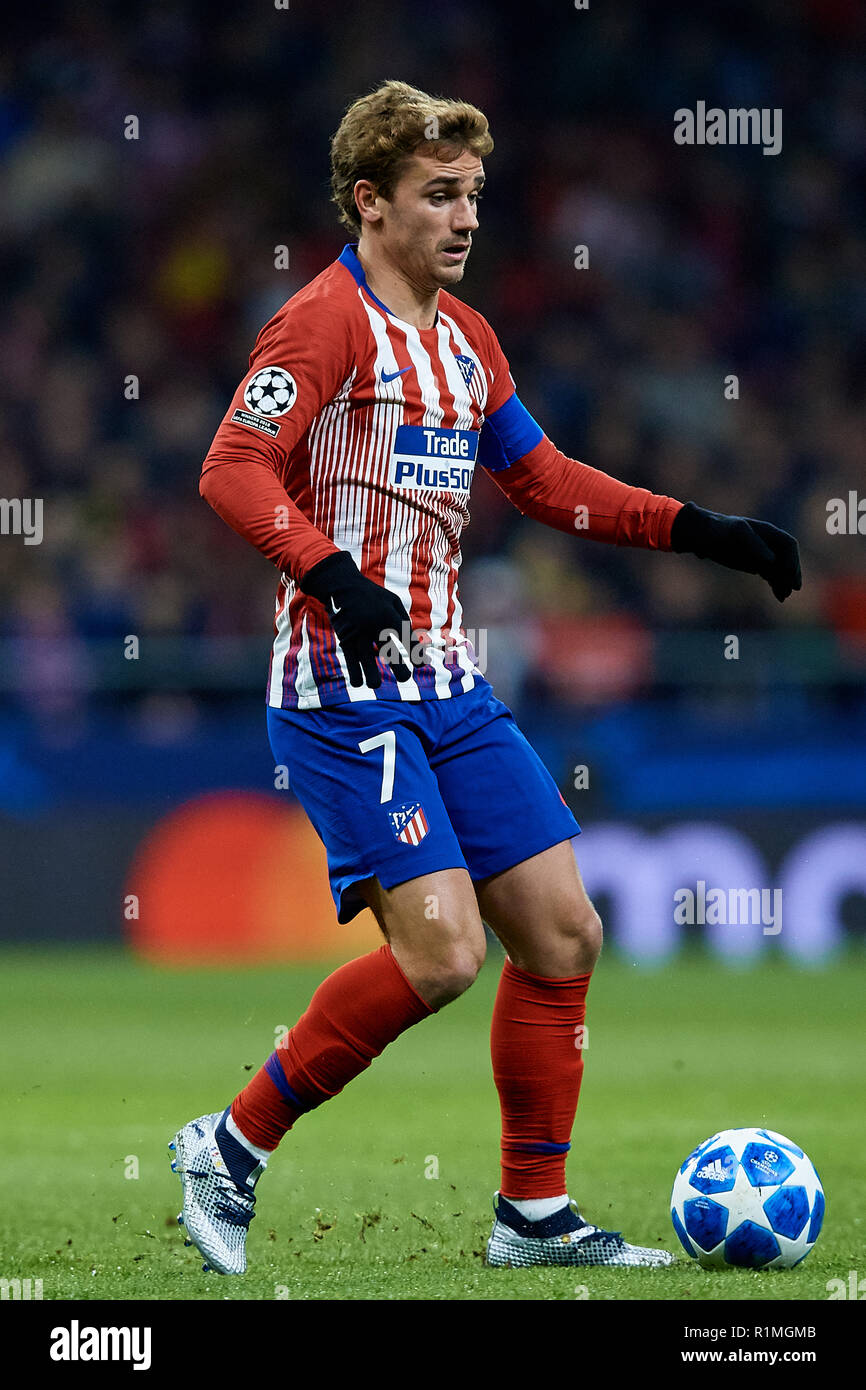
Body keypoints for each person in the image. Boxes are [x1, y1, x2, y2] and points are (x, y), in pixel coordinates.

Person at [169, 80, 801, 1276]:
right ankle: (230, 1143)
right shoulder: (321, 322)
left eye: (472, 196)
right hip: (342, 689)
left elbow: (546, 479)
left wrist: (697, 527)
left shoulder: (465, 341)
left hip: (452, 687)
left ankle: (532, 1217)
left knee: (562, 935)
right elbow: (231, 467)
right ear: (370, 202)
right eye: (438, 196)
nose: (465, 219)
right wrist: (332, 573)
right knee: (443, 955)